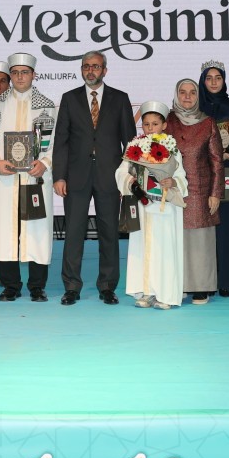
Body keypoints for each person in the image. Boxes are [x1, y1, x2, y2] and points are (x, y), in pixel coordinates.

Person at [53, 51, 133, 306]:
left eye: (96, 66)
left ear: (104, 70)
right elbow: (61, 140)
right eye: (86, 66)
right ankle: (71, 286)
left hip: (110, 175)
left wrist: (127, 176)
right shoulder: (69, 98)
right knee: (74, 232)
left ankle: (108, 286)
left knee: (109, 232)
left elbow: (130, 142)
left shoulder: (120, 98)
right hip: (76, 176)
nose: (90, 70)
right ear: (81, 69)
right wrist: (59, 176)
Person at [0, 53, 57, 302]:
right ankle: (10, 285)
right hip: (5, 179)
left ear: (33, 75)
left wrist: (45, 163)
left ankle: (37, 286)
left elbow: (56, 144)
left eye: (25, 72)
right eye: (15, 73)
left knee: (37, 231)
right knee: (5, 230)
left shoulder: (47, 106)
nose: (20, 77)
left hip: (35, 178)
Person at [118, 101, 187, 309]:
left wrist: (172, 182)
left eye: (155, 124)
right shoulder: (134, 147)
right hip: (143, 206)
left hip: (164, 207)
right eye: (146, 124)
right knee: (143, 248)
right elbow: (121, 171)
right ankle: (146, 291)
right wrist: (130, 181)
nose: (150, 128)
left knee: (164, 250)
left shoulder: (172, 148)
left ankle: (165, 294)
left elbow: (181, 176)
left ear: (164, 125)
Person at [167, 78, 223, 303]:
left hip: (200, 190)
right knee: (176, 240)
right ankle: (179, 284)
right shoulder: (167, 121)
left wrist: (216, 193)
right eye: (183, 92)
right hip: (173, 190)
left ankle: (201, 287)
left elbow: (217, 161)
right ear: (176, 95)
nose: (187, 97)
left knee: (200, 241)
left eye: (192, 92)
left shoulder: (208, 123)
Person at [199, 61, 229, 297]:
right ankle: (204, 282)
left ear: (224, 81)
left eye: (218, 77)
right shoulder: (196, 109)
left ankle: (226, 281)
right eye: (209, 78)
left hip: (227, 173)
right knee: (204, 230)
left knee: (227, 228)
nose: (214, 82)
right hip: (201, 174)